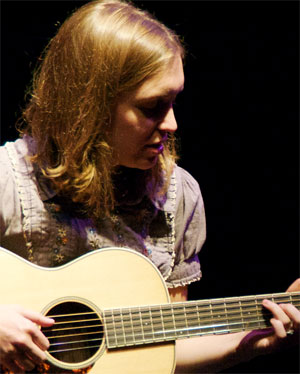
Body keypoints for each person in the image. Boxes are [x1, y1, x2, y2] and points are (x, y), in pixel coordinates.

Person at [0, 0, 299, 373]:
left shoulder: (176, 198)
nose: (172, 123)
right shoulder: (9, 181)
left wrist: (249, 345)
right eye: (152, 107)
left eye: (174, 102)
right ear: (91, 105)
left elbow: (164, 351)